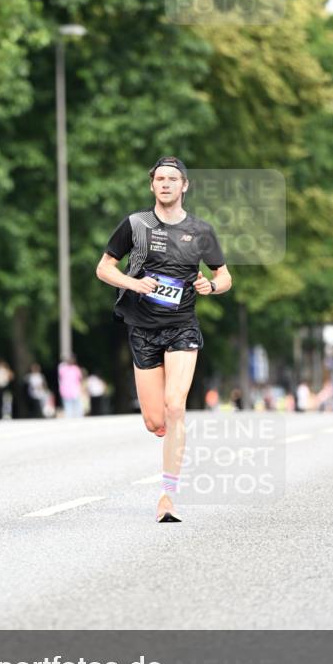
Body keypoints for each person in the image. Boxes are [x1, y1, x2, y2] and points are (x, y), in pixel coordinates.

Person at [96, 156, 232, 523]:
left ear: (185, 185)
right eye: (160, 179)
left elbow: (224, 276)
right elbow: (104, 268)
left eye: (173, 179)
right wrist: (134, 283)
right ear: (152, 185)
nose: (166, 184)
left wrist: (211, 285)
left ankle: (167, 497)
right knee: (156, 421)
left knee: (176, 406)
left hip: (182, 325)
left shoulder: (201, 232)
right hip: (142, 328)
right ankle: (166, 437)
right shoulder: (134, 225)